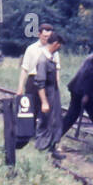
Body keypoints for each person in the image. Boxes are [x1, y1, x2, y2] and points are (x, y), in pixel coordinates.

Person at [60, 52, 93, 153]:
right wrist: (86, 94)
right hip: (84, 90)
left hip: (79, 89)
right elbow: (88, 75)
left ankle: (53, 140)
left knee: (70, 117)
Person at [31, 32, 65, 161]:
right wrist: (44, 102)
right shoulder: (43, 60)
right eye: (59, 45)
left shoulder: (50, 58)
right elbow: (40, 84)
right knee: (45, 122)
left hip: (53, 93)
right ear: (56, 44)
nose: (59, 48)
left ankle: (52, 147)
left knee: (55, 121)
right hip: (47, 94)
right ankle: (41, 149)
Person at [18, 23, 58, 95]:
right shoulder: (31, 49)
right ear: (39, 35)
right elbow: (24, 69)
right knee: (31, 105)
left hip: (48, 83)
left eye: (49, 36)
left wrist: (56, 88)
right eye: (45, 36)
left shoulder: (54, 50)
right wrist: (20, 88)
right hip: (33, 82)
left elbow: (57, 70)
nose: (47, 38)